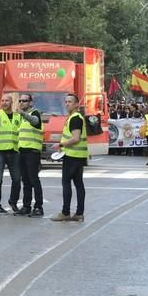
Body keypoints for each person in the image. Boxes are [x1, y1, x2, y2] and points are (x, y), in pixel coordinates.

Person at [51, 93, 88, 222]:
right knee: (78, 184)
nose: (67, 104)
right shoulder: (74, 117)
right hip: (77, 156)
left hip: (72, 156)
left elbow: (76, 138)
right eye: (66, 102)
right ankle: (79, 213)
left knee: (66, 183)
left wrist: (60, 144)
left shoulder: (75, 118)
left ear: (77, 104)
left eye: (70, 102)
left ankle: (66, 212)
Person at [16, 93, 44, 217]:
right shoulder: (22, 118)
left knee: (34, 180)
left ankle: (38, 207)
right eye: (20, 101)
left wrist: (22, 114)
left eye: (25, 101)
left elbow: (35, 121)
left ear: (31, 103)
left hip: (32, 152)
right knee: (26, 181)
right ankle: (26, 206)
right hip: (22, 151)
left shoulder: (34, 113)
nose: (22, 103)